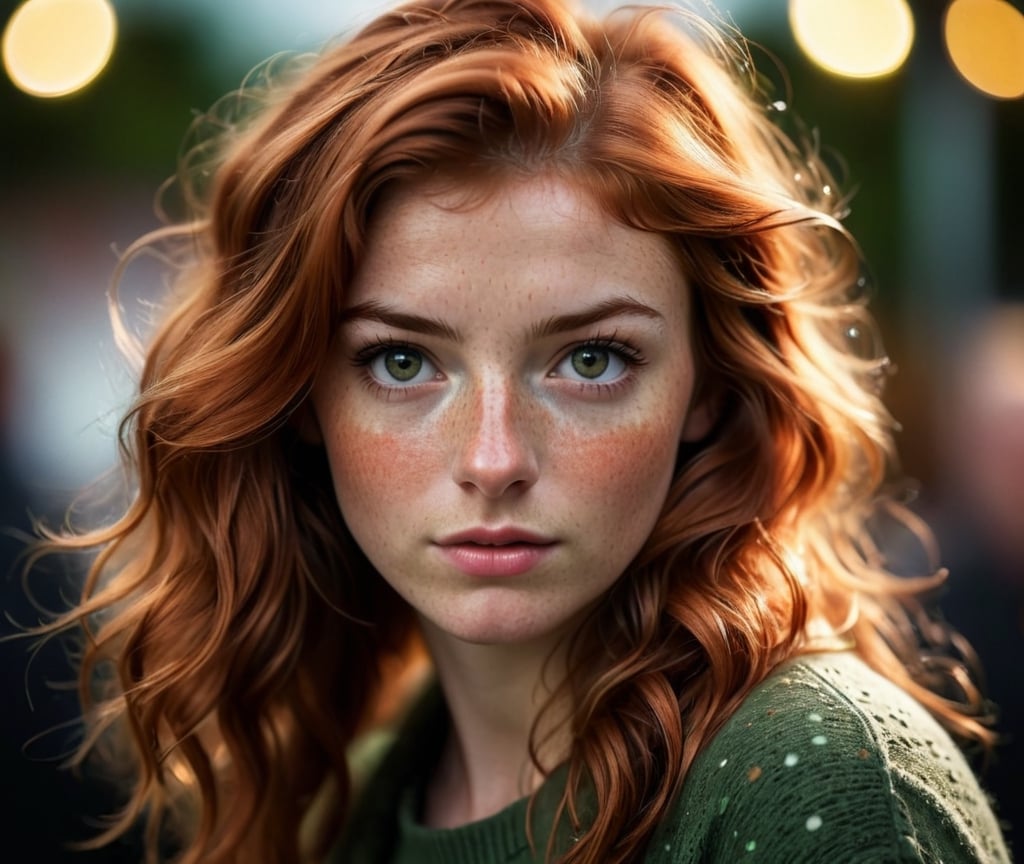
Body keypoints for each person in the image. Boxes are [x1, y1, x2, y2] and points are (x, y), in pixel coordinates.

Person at [29, 0, 1011, 861]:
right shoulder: (356, 788)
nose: (492, 459)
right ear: (298, 400)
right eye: (402, 362)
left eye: (590, 360)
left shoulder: (820, 786)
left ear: (707, 386)